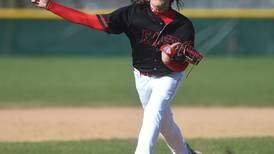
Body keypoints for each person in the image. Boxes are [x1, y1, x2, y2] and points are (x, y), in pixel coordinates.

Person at [31, 0, 203, 153]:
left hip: (169, 77)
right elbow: (91, 21)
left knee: (153, 112)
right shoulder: (132, 14)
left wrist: (173, 60)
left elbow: (184, 63)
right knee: (164, 123)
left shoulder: (183, 25)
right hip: (141, 77)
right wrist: (51, 5)